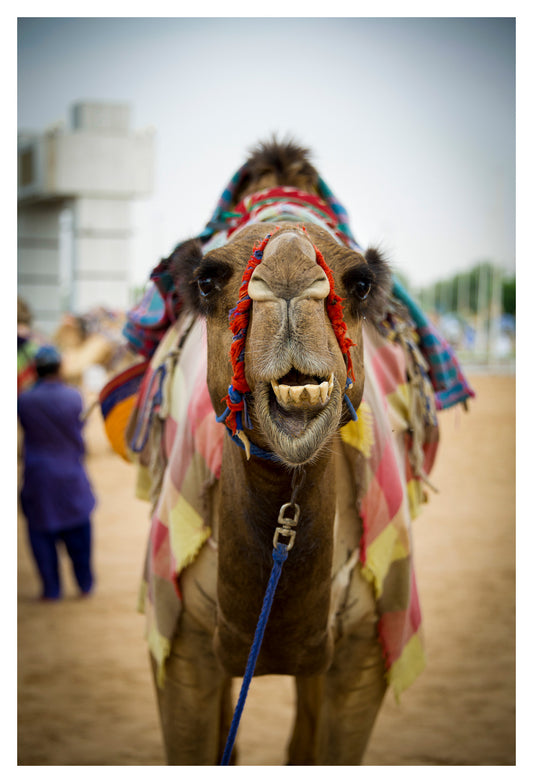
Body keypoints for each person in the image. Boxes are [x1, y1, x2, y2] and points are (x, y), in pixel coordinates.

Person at [17, 345, 96, 600]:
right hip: (71, 475)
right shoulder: (74, 396)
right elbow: (79, 424)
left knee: (41, 535)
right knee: (79, 536)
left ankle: (51, 589)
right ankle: (84, 585)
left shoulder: (24, 400)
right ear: (59, 367)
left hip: (38, 478)